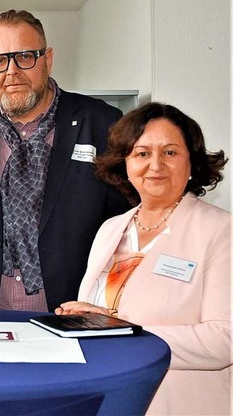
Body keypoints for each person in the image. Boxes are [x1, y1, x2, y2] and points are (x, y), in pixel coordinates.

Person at [0, 9, 131, 312]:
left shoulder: (103, 123)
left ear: (47, 59)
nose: (11, 71)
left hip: (76, 306)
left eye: (24, 56)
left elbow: (125, 225)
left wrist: (115, 303)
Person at [57, 102, 231, 415]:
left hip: (182, 405)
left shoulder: (221, 231)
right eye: (142, 153)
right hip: (109, 398)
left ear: (192, 163)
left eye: (170, 152)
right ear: (125, 163)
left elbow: (224, 340)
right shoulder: (112, 229)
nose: (155, 165)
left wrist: (124, 330)